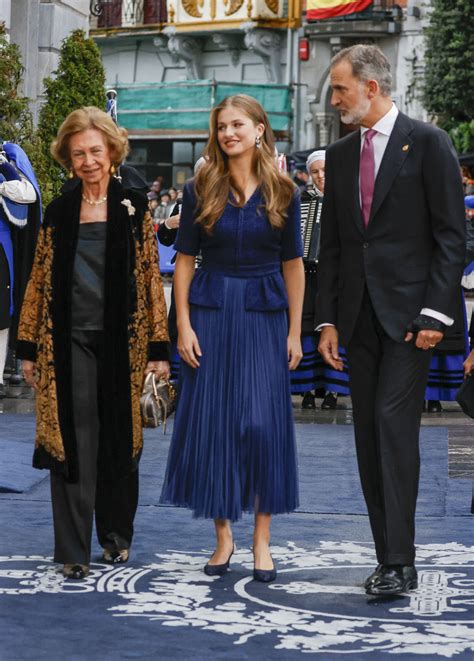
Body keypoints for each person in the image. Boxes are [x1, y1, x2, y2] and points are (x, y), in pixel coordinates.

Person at [317, 45, 465, 595]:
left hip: (412, 322)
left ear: (371, 88)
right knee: (367, 437)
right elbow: (331, 246)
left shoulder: (428, 143)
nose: (334, 101)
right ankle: (388, 557)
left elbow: (452, 236)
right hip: (357, 321)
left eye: (340, 90)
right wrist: (326, 322)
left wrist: (434, 313)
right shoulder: (337, 155)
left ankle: (401, 561)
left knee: (392, 428)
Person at [16, 106, 170, 580]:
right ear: (68, 157)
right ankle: (72, 549)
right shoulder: (60, 211)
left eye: (95, 151)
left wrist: (158, 350)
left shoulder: (135, 207)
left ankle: (116, 538)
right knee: (72, 442)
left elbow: (149, 278)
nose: (88, 161)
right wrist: (27, 348)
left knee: (119, 441)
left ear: (112, 151)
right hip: (66, 344)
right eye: (78, 153)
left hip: (123, 344)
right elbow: (39, 280)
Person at [160, 94, 304, 583]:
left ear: (260, 129)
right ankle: (224, 538)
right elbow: (183, 260)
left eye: (238, 124)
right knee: (215, 423)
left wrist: (295, 330)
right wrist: (181, 323)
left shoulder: (285, 189)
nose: (228, 134)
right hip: (211, 311)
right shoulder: (200, 188)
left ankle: (262, 540)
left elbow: (293, 265)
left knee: (262, 426)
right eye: (222, 126)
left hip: (265, 314)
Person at [290, 149, 350, 410]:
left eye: (325, 170)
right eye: (315, 172)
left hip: (336, 277)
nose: (320, 176)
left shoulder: (346, 199)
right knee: (306, 331)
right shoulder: (299, 199)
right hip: (306, 276)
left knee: (332, 328)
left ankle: (332, 391)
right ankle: (307, 388)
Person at [0, 141, 41, 396]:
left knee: (1, 315)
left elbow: (28, 193)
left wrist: (5, 170)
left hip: (1, 249)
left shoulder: (7, 161)